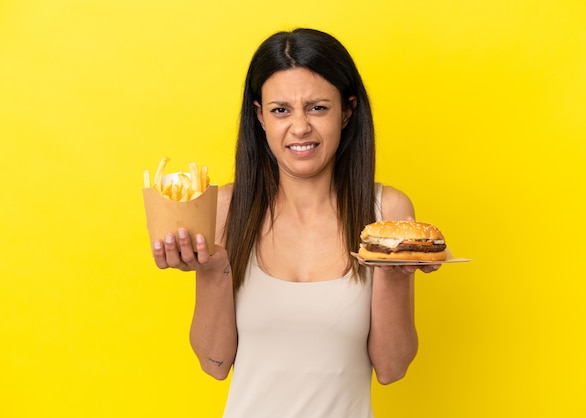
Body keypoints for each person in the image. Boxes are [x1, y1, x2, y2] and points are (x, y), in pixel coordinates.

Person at [152, 28, 440, 418]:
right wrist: (212, 270)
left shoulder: (385, 212)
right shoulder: (224, 208)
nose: (300, 127)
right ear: (260, 117)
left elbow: (392, 369)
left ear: (347, 111)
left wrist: (394, 270)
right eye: (281, 110)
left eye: (318, 107)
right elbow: (214, 363)